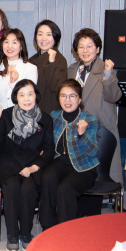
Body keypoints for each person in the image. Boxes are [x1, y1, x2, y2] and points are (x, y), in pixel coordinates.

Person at [0, 80, 54, 251]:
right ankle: (12, 234)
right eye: (22, 95)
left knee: (28, 189)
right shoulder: (6, 115)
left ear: (36, 96)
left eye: (30, 94)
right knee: (11, 187)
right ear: (16, 97)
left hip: (32, 167)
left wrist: (34, 167)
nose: (26, 99)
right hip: (9, 165)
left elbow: (49, 150)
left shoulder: (45, 120)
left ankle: (26, 234)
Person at [40, 79, 100, 229]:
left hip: (84, 166)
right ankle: (48, 228)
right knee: (47, 177)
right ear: (58, 98)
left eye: (72, 96)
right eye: (63, 96)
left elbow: (93, 152)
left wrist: (82, 135)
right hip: (60, 162)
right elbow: (45, 141)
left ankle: (65, 232)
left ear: (79, 99)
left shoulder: (89, 119)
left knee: (65, 189)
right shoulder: (54, 116)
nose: (67, 100)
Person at [67, 28, 122, 182]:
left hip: (101, 127)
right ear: (76, 50)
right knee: (80, 174)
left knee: (101, 174)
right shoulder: (72, 70)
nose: (85, 50)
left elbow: (113, 97)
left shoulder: (106, 69)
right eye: (81, 46)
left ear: (98, 49)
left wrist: (109, 74)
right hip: (78, 127)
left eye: (89, 46)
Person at [29, 20, 68, 114]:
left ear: (55, 37)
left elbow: (56, 87)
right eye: (40, 34)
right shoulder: (31, 60)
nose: (44, 38)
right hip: (31, 111)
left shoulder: (59, 59)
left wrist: (51, 63)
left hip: (50, 113)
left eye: (48, 34)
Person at [0, 28, 38, 109]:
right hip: (1, 116)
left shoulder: (30, 68)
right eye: (6, 42)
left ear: (21, 46)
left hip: (19, 116)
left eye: (14, 42)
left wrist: (14, 83)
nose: (9, 46)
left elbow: (29, 97)